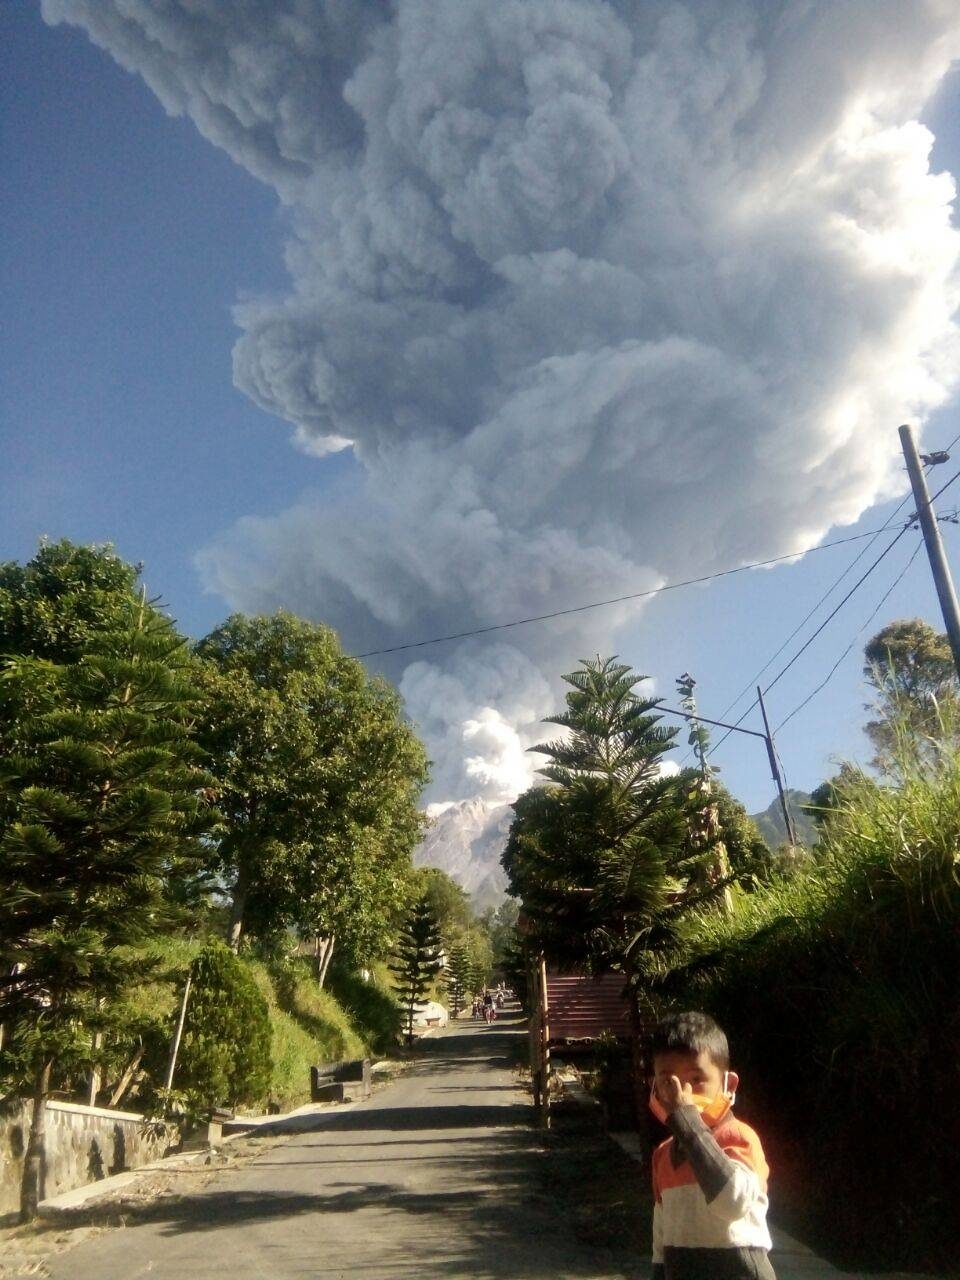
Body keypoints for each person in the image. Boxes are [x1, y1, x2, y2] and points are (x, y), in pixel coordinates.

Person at [648, 1010, 775, 1280]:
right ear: (655, 1088)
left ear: (728, 1083)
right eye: (668, 1081)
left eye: (696, 1080)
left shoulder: (739, 1138)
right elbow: (661, 1240)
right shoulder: (662, 1156)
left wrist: (687, 1122)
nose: (684, 1096)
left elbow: (733, 1202)